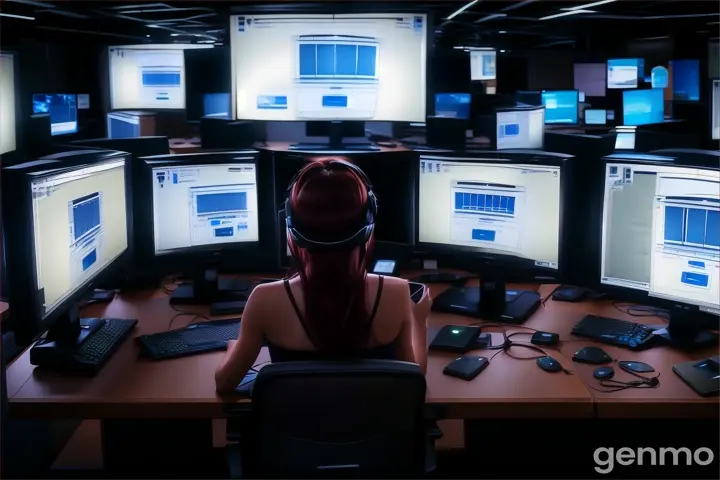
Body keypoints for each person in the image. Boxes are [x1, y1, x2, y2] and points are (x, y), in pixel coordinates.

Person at [215, 157, 431, 393]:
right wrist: (419, 321)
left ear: (292, 228)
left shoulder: (264, 299)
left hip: (294, 429)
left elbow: (225, 383)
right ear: (367, 225)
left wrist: (234, 348)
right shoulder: (396, 293)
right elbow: (413, 379)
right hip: (369, 428)